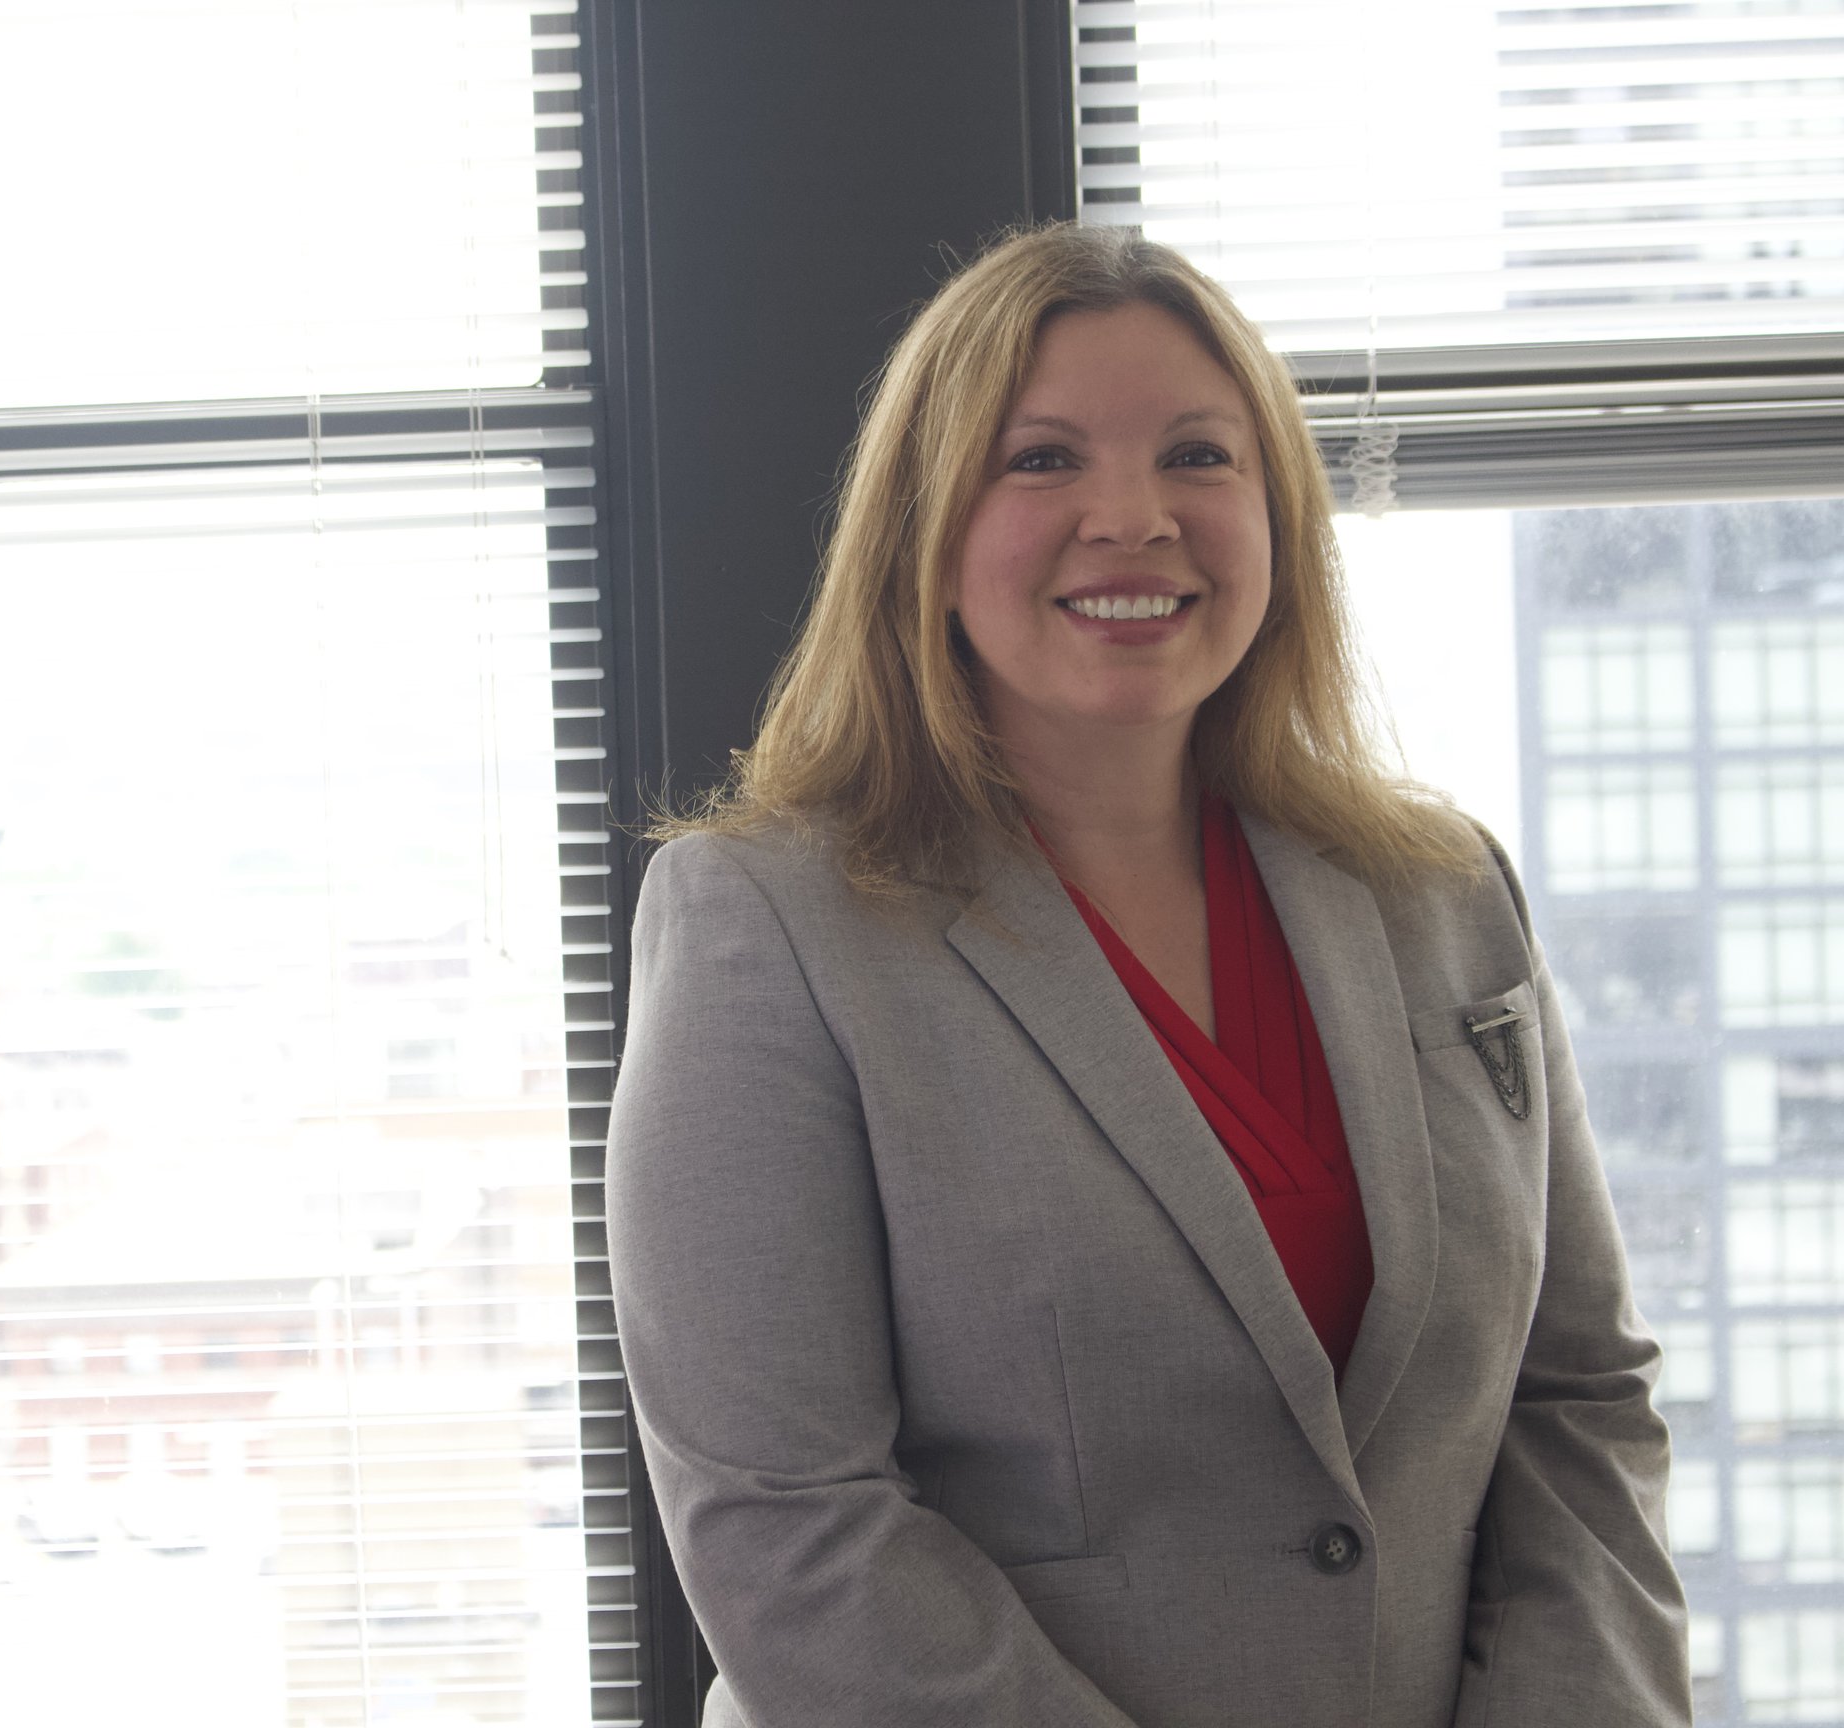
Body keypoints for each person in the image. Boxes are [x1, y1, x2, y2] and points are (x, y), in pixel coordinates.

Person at [604, 222, 1691, 1728]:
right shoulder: (764, 925)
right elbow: (787, 1521)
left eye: (1199, 455)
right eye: (1040, 460)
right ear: (924, 531)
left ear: (1278, 513)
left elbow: (1577, 1404)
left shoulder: (1442, 893)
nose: (1135, 518)